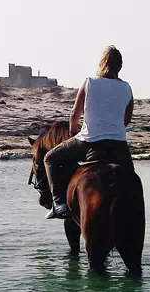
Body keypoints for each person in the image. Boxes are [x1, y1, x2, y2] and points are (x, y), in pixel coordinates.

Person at [44, 45, 135, 219]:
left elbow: (74, 114)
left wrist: (72, 132)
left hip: (90, 141)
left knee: (50, 158)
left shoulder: (90, 82)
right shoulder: (126, 88)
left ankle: (58, 203)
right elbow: (126, 120)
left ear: (102, 63)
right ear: (120, 66)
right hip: (119, 145)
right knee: (131, 179)